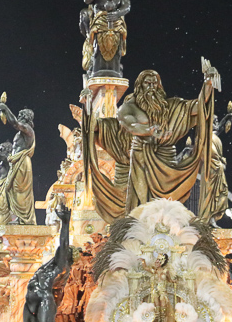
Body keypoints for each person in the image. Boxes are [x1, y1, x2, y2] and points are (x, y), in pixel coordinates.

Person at [81, 67, 219, 223]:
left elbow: (199, 106)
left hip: (166, 163)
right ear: (140, 85)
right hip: (140, 160)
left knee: (167, 210)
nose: (152, 87)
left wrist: (207, 84)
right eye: (148, 83)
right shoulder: (128, 107)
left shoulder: (171, 107)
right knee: (139, 207)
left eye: (155, 83)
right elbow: (130, 125)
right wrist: (150, 131)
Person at [0, 99, 37, 230]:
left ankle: (25, 219)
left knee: (20, 190)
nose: (19, 116)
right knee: (13, 190)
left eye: (21, 115)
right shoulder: (22, 132)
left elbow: (15, 123)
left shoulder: (27, 129)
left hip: (21, 163)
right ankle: (21, 217)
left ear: (26, 117)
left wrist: (5, 109)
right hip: (16, 163)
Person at [142, 253, 176, 322]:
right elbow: (145, 267)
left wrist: (174, 281)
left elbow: (169, 279)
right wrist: (143, 261)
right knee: (156, 307)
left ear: (162, 262)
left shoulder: (165, 271)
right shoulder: (154, 271)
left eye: (158, 261)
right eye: (156, 261)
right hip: (155, 291)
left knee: (163, 307)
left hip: (163, 291)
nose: (156, 263)